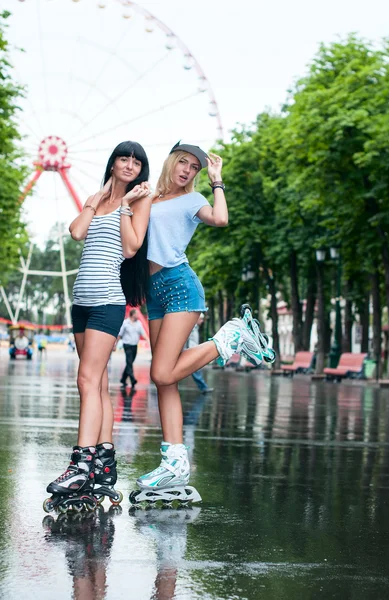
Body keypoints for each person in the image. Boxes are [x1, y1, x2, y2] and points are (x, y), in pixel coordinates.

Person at [130, 142, 272, 506]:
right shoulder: (150, 197)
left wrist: (217, 181)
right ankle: (174, 464)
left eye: (194, 167)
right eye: (183, 163)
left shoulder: (193, 201)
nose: (187, 170)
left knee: (162, 373)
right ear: (171, 162)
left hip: (179, 287)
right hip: (153, 292)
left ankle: (231, 336)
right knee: (167, 380)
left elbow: (221, 219)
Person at [44, 141, 152, 513]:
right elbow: (76, 232)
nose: (130, 165)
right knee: (99, 383)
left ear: (141, 170)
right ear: (113, 162)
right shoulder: (95, 197)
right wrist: (96, 200)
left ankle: (81, 463)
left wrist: (123, 207)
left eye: (136, 162)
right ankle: (104, 459)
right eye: (124, 158)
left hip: (108, 300)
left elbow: (132, 247)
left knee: (86, 380)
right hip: (81, 302)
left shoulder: (140, 201)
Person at [117, 308, 149, 387]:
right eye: (136, 314)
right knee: (129, 361)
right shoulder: (125, 323)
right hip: (127, 344)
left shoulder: (139, 323)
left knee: (130, 362)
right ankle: (133, 379)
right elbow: (120, 334)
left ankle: (123, 379)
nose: (138, 315)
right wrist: (115, 344)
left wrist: (148, 340)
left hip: (135, 345)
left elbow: (143, 333)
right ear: (132, 314)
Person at [186, 313, 213, 393]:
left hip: (193, 351)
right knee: (195, 370)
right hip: (191, 352)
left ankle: (204, 387)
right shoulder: (191, 327)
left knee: (195, 370)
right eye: (201, 319)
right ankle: (204, 387)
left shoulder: (196, 328)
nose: (202, 321)